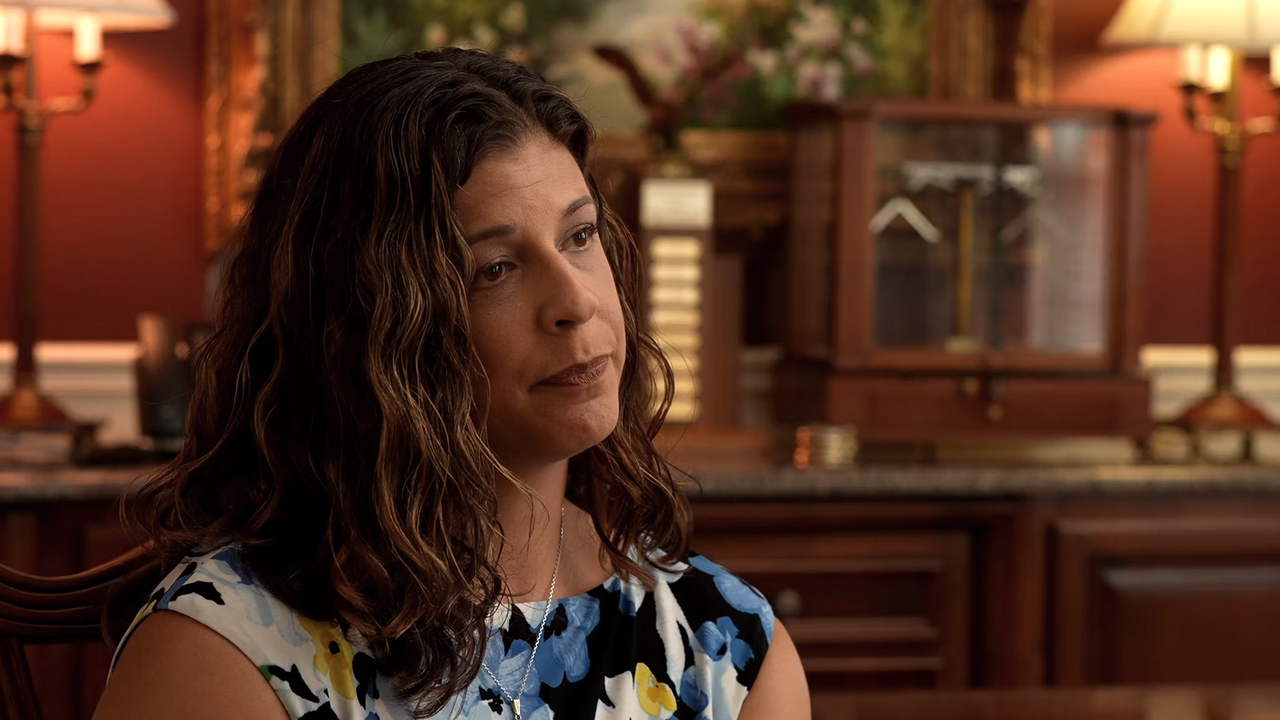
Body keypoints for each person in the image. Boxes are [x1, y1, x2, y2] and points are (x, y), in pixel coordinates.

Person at [93, 47, 809, 720]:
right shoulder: (226, 652)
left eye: (579, 236)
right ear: (367, 328)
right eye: (495, 268)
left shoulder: (728, 653)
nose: (577, 302)